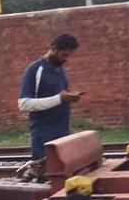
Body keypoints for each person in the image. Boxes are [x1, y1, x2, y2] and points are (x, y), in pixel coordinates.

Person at [18, 33, 83, 161]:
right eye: (63, 55)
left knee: (61, 174)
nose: (66, 60)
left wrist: (70, 97)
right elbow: (23, 104)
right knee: (46, 174)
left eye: (69, 56)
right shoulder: (35, 70)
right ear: (53, 48)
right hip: (43, 134)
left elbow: (59, 97)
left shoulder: (62, 71)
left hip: (62, 131)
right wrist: (59, 99)